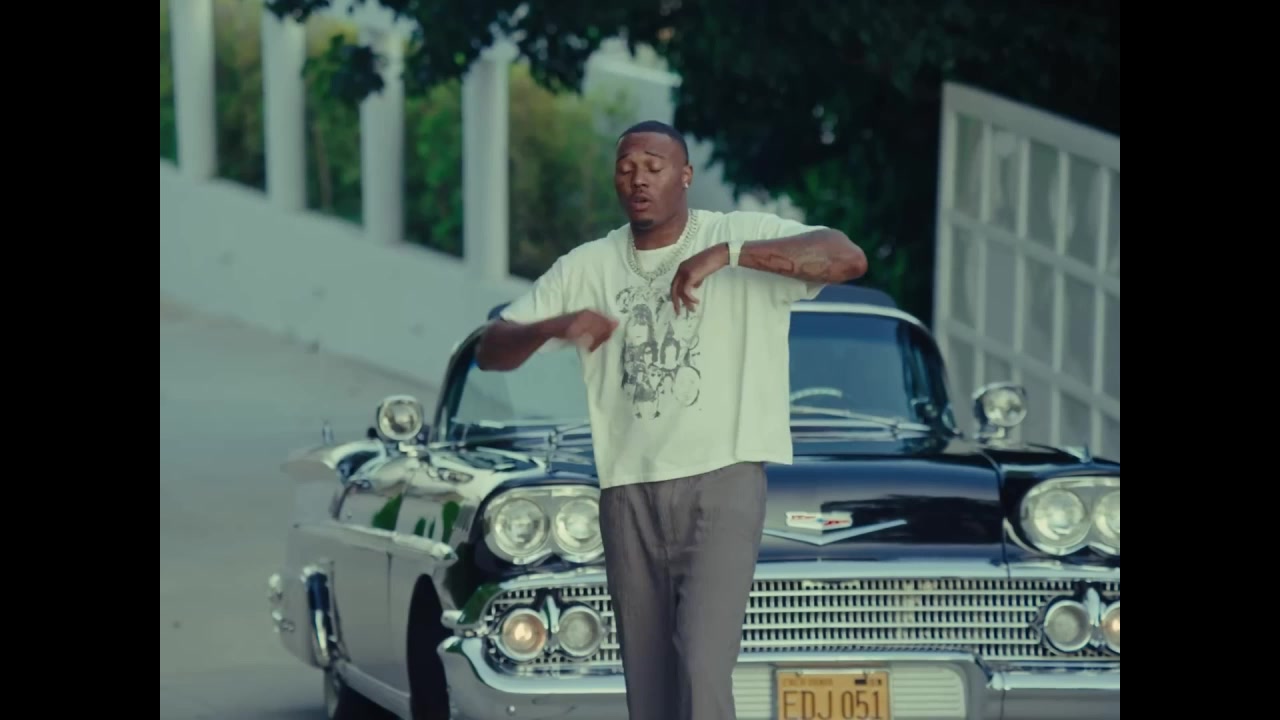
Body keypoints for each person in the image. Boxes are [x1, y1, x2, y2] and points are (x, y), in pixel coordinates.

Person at [475, 120, 868, 720]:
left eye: (653, 167)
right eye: (626, 168)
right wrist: (556, 325)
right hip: (627, 493)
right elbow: (490, 349)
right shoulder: (587, 266)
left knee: (701, 666)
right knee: (650, 687)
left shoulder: (736, 234)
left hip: (723, 482)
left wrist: (727, 256)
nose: (638, 179)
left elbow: (848, 258)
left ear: (685, 176)